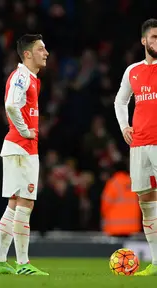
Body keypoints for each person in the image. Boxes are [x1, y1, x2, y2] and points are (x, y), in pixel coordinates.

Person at [0, 34, 49, 276]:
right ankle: (23, 263)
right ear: (27, 54)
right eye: (41, 49)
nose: (46, 53)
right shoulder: (22, 76)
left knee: (14, 205)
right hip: (22, 147)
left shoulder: (32, 79)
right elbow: (11, 105)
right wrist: (25, 131)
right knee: (25, 203)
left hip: (20, 148)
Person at [114, 18, 157, 276]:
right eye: (153, 37)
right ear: (143, 41)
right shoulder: (133, 70)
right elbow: (121, 101)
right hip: (140, 143)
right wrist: (124, 127)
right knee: (146, 202)